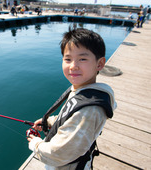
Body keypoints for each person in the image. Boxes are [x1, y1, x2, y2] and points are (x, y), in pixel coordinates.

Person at [27, 26, 117, 169]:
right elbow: (71, 114)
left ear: (99, 63)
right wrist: (50, 121)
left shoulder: (89, 110)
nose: (73, 66)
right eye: (68, 59)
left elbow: (58, 154)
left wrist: (36, 144)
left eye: (82, 59)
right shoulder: (83, 90)